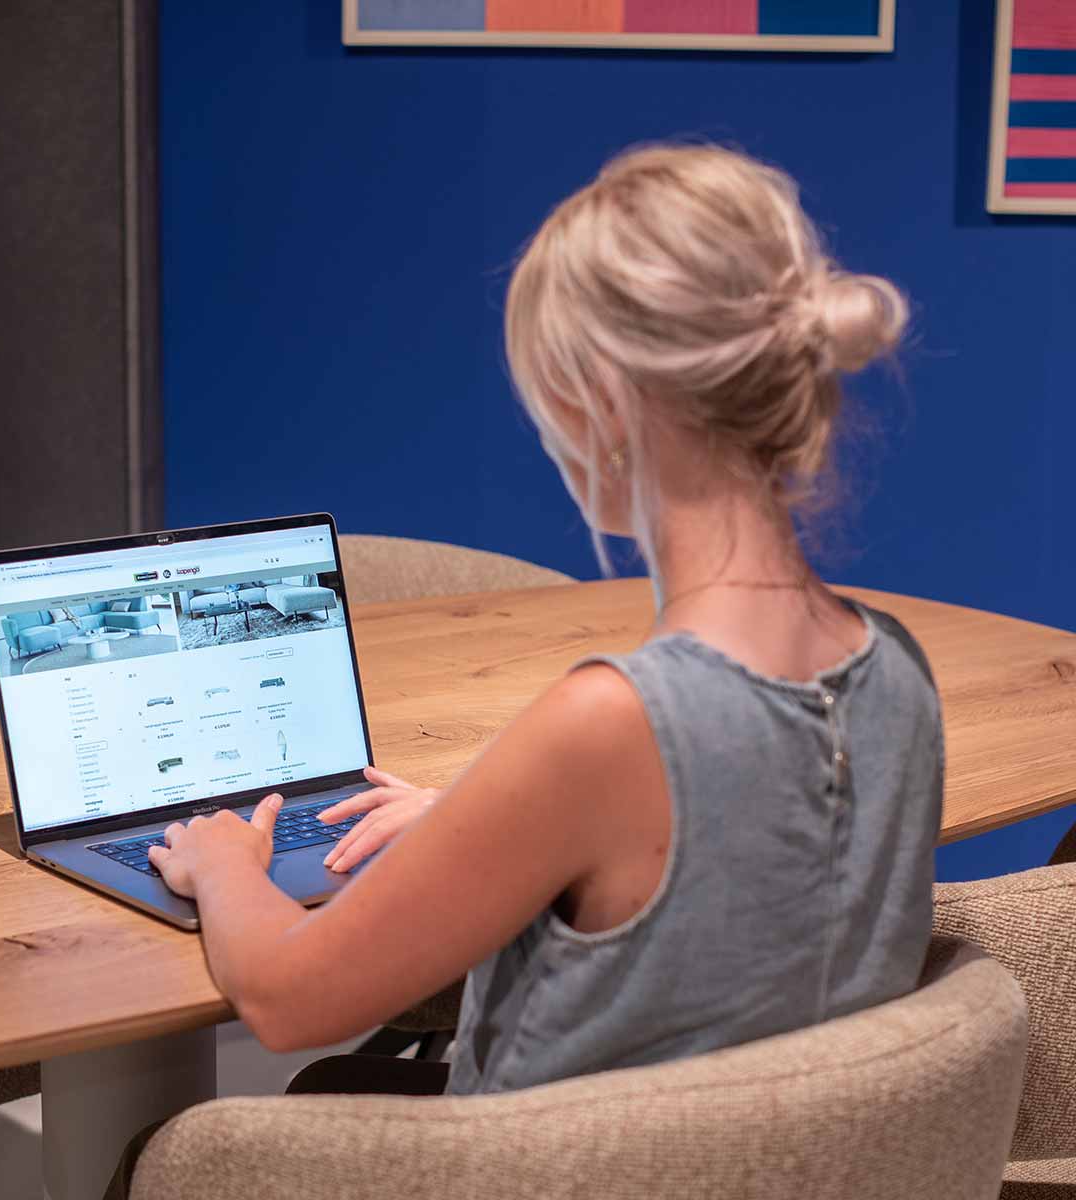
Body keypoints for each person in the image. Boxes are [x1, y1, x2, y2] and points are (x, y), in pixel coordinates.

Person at [107, 143, 940, 1194]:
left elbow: (285, 999)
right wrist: (495, 824)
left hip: (567, 1174)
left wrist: (226, 865)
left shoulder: (613, 724)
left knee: (179, 1156)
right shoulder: (898, 671)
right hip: (776, 1170)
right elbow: (728, 873)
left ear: (600, 402)